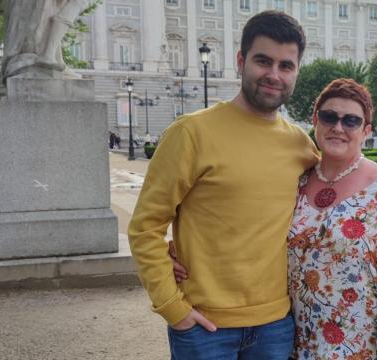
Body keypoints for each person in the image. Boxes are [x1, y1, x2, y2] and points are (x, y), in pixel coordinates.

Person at [173, 79, 377, 359]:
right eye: (329, 116)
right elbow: (245, 221)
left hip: (358, 349)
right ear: (315, 121)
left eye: (351, 121)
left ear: (366, 130)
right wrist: (179, 248)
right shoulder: (296, 177)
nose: (338, 127)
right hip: (288, 345)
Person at [128, 11, 318, 359]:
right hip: (204, 326)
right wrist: (173, 307)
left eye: (286, 66)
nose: (274, 75)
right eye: (263, 61)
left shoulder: (301, 146)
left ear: (296, 72)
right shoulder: (191, 133)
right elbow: (145, 227)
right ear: (241, 61)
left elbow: (337, 197)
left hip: (276, 324)